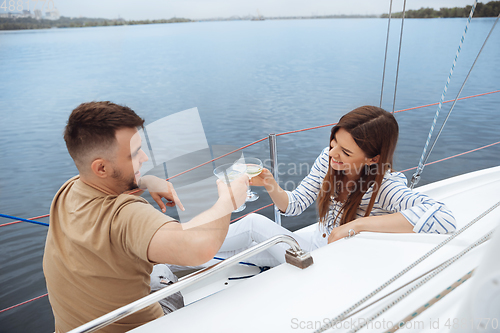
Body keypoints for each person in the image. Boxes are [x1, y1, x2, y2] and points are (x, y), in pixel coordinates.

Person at [42, 101, 248, 333]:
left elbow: (109, 184)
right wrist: (229, 200)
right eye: (134, 153)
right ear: (101, 168)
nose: (145, 158)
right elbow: (199, 248)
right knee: (162, 273)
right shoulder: (125, 214)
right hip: (145, 327)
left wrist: (145, 181)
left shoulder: (66, 192)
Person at [211, 105, 456, 266]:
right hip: (313, 249)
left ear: (373, 159)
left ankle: (182, 244)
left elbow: (444, 218)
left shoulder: (385, 186)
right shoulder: (329, 161)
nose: (333, 154)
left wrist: (356, 225)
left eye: (345, 151)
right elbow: (295, 205)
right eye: (333, 142)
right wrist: (270, 183)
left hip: (330, 264)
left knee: (255, 225)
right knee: (234, 256)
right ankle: (176, 255)